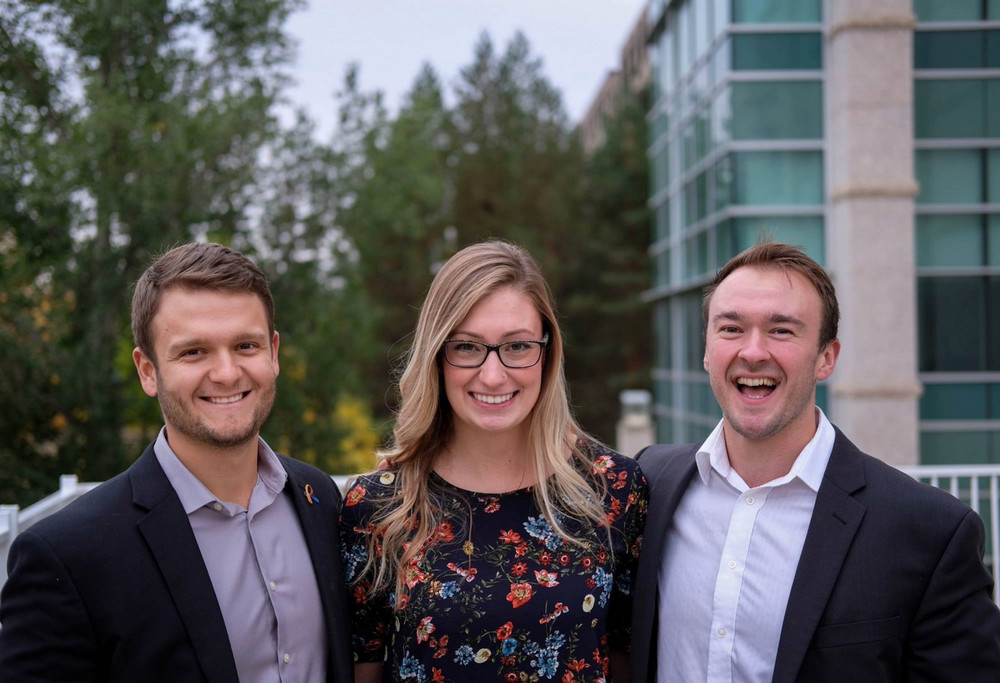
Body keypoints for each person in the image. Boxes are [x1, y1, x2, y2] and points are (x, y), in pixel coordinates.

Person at [630, 240, 1000, 682]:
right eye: (730, 329)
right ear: (707, 351)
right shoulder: (649, 482)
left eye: (782, 330)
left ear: (826, 358)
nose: (753, 351)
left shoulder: (929, 531)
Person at [0, 242, 353, 682]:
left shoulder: (320, 499)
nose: (226, 373)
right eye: (194, 352)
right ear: (148, 371)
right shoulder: (67, 555)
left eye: (245, 345)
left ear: (274, 353)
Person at [340, 240, 648, 683]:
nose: (492, 374)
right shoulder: (379, 506)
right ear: (436, 356)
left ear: (547, 351)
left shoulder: (612, 488)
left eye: (517, 346)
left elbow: (625, 660)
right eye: (466, 347)